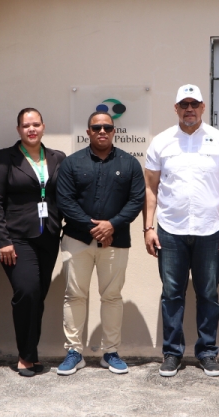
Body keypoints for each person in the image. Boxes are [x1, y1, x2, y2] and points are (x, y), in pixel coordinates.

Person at [143, 84, 219, 378]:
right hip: (170, 230)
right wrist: (148, 227)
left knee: (208, 293)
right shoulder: (161, 142)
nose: (189, 109)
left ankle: (207, 352)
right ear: (176, 108)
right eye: (183, 104)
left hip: (210, 230)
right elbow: (150, 188)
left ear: (203, 107)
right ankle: (172, 353)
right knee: (172, 294)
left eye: (194, 104)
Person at [54, 111, 145, 376]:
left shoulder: (129, 163)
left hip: (116, 241)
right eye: (96, 128)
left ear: (114, 130)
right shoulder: (72, 163)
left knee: (112, 296)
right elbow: (65, 200)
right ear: (88, 132)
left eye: (107, 127)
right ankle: (74, 352)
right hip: (77, 239)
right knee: (74, 295)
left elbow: (136, 200)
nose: (102, 131)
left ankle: (110, 352)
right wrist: (94, 228)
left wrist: (111, 225)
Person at [0, 108, 66, 377]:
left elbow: (63, 195)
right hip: (16, 238)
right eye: (26, 125)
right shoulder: (3, 158)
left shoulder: (57, 158)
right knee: (27, 292)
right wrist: (3, 240)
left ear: (43, 126)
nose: (31, 129)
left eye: (35, 124)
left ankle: (31, 353)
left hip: (48, 236)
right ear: (18, 129)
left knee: (38, 296)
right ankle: (25, 356)